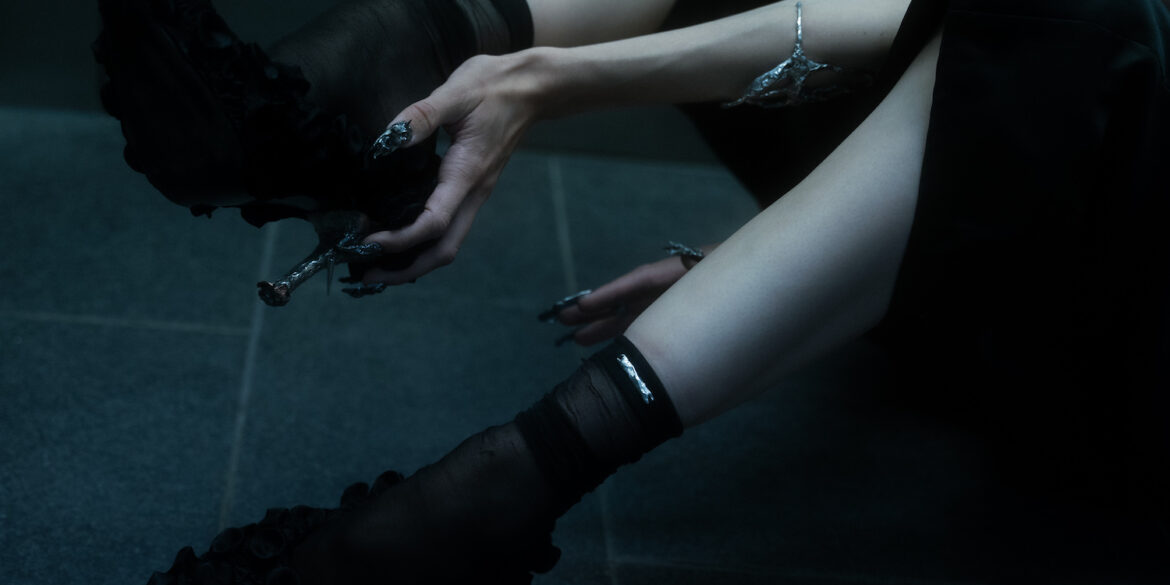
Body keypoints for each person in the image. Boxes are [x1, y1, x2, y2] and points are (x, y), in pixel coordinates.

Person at [112, 0, 1169, 583]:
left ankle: (490, 493)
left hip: (1103, 360)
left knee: (1075, 19)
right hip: (988, 227)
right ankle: (331, 102)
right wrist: (763, 262)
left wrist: (552, 84)